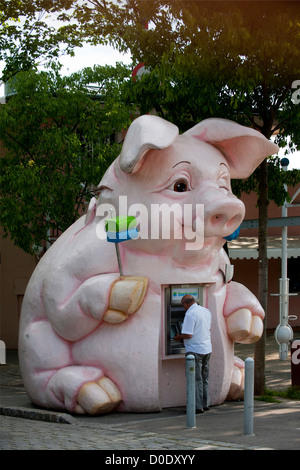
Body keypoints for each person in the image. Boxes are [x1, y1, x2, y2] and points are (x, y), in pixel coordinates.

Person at [174, 294, 212, 414]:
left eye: (183, 305)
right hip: (207, 348)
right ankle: (205, 404)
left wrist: (178, 337)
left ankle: (197, 406)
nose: (183, 308)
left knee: (196, 379)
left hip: (195, 350)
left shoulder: (190, 314)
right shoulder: (206, 311)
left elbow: (188, 334)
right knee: (204, 378)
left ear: (186, 303)